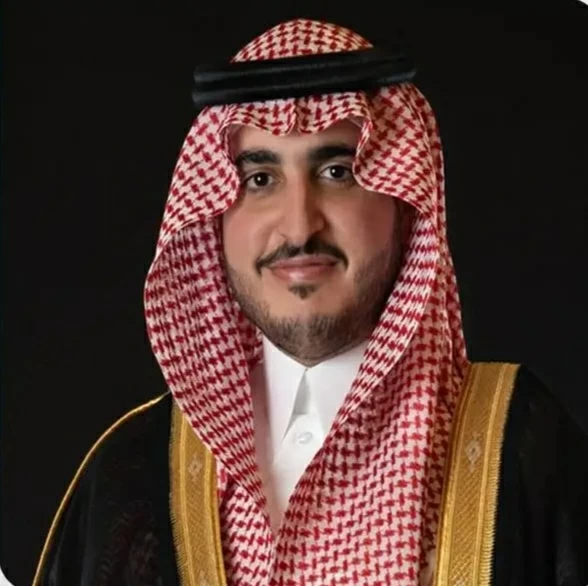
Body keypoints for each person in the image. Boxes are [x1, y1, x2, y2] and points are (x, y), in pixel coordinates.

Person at [32, 18, 587, 586]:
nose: (299, 227)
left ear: (404, 205)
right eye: (260, 179)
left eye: (337, 172)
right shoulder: (130, 476)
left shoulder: (524, 451)